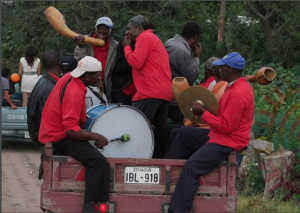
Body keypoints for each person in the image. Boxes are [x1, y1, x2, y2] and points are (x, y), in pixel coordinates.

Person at [166, 52, 254, 212]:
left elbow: (226, 126)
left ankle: (179, 209)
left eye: (222, 68)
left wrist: (203, 112)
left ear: (231, 70)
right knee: (183, 133)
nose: (219, 71)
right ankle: (166, 173)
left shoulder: (239, 93)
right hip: (219, 135)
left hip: (228, 141)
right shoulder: (232, 85)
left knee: (191, 167)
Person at [39, 56, 109, 213]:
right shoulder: (74, 93)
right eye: (97, 75)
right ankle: (89, 206)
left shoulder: (69, 76)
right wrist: (96, 136)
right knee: (98, 161)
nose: (99, 78)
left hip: (55, 129)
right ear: (87, 76)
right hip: (59, 135)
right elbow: (70, 130)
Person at [123, 15, 173, 158]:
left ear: (139, 28)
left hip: (149, 92)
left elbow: (136, 62)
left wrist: (126, 47)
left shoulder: (144, 38)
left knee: (135, 129)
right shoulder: (153, 39)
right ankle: (157, 162)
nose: (127, 33)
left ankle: (132, 160)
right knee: (157, 133)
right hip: (163, 93)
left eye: (129, 29)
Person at [164, 21, 202, 123]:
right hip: (174, 99)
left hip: (163, 92)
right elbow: (191, 77)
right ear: (195, 38)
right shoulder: (182, 51)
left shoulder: (171, 42)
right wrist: (196, 57)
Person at [74, 17, 118, 102]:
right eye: (99, 32)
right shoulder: (84, 41)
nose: (101, 36)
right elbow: (79, 63)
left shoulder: (115, 46)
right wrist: (81, 47)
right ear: (95, 29)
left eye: (104, 33)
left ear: (109, 33)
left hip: (107, 87)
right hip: (88, 84)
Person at [111, 22, 155, 105]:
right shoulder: (125, 43)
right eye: (127, 29)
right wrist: (132, 54)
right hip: (124, 88)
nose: (126, 33)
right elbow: (120, 67)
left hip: (141, 90)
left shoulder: (151, 44)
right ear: (139, 28)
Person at [27, 50, 61, 147]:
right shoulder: (48, 87)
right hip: (46, 137)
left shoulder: (45, 82)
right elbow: (47, 120)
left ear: (42, 64)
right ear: (59, 63)